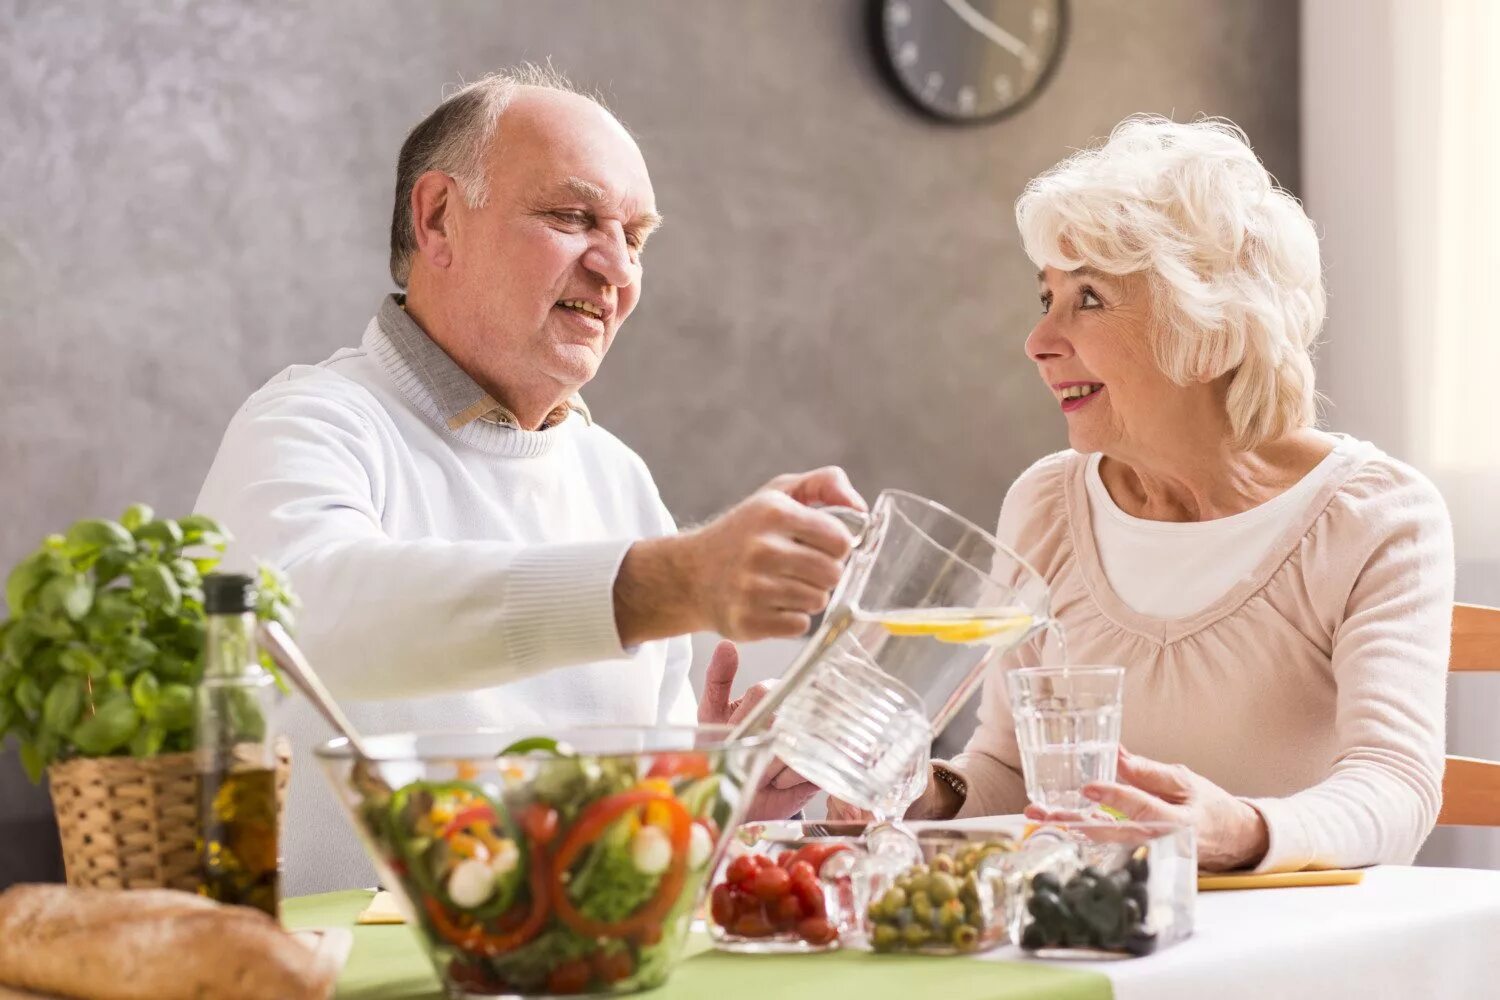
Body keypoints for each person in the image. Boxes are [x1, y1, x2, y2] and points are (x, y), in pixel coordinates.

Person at [197, 65, 858, 890]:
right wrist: (668, 582)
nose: (616, 269)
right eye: (573, 217)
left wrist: (713, 787)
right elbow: (306, 624)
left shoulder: (616, 474)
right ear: (437, 219)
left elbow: (628, 824)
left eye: (637, 237)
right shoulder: (311, 420)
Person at [835, 116, 1454, 874]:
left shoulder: (1377, 518)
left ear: (1211, 326)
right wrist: (917, 790)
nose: (1040, 341)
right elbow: (1014, 772)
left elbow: (1396, 785)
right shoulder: (1045, 506)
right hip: (1110, 946)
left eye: (1089, 299)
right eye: (1046, 298)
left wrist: (1242, 829)